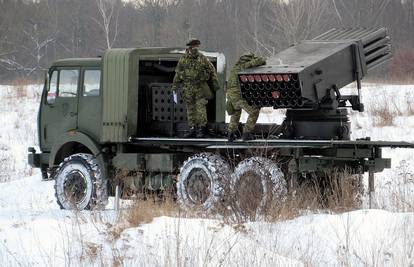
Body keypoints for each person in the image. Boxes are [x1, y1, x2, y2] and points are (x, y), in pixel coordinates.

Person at [171, 38, 219, 138]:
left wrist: (215, 84)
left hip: (199, 87)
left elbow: (211, 70)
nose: (194, 49)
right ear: (189, 47)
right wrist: (174, 87)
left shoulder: (202, 58)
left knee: (200, 107)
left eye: (196, 47)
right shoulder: (183, 59)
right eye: (193, 47)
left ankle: (201, 129)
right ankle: (192, 128)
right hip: (188, 87)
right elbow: (178, 73)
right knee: (190, 109)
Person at [226, 53, 266, 141]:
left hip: (231, 96)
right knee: (254, 111)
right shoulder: (243, 66)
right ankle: (246, 133)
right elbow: (261, 60)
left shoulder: (235, 67)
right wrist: (255, 59)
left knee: (235, 114)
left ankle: (230, 134)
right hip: (237, 96)